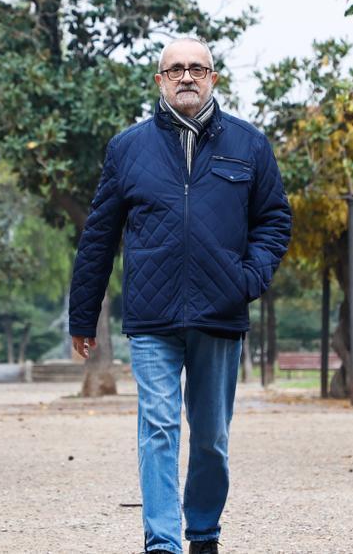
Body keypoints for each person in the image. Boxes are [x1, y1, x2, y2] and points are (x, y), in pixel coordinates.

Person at [68, 37, 292, 554]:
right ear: (160, 81)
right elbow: (99, 236)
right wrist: (83, 315)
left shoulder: (249, 144)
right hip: (153, 317)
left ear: (213, 77)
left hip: (221, 312)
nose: (186, 76)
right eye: (175, 70)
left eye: (198, 68)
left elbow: (274, 220)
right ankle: (163, 542)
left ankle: (204, 532)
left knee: (211, 438)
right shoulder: (128, 148)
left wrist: (248, 278)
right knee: (159, 428)